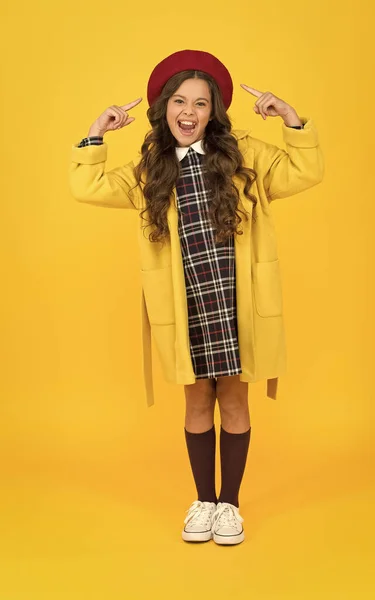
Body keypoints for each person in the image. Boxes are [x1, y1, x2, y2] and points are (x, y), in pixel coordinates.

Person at [69, 49, 324, 546]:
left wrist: (291, 119)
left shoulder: (245, 157)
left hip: (235, 301)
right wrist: (96, 132)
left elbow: (305, 170)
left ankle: (229, 505)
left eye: (201, 104)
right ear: (164, 108)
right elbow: (87, 184)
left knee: (233, 398)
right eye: (179, 101)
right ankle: (203, 501)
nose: (189, 112)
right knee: (194, 401)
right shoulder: (149, 170)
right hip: (186, 305)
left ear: (214, 111)